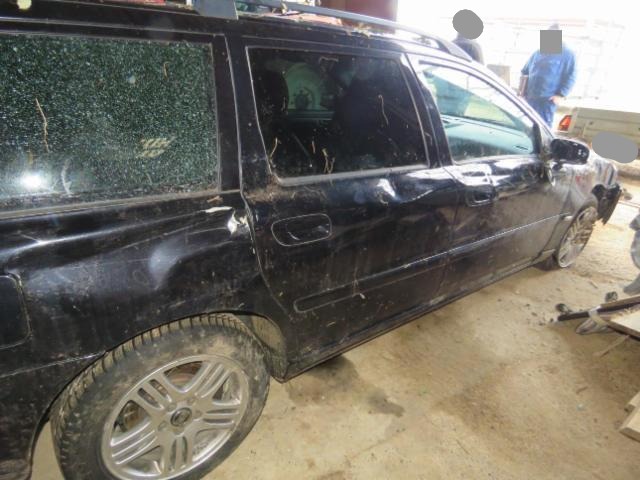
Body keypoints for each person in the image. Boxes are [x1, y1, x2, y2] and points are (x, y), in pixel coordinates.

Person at [519, 24, 577, 126]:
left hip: (547, 100)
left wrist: (560, 95)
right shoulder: (537, 53)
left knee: (542, 126)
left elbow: (571, 76)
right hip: (530, 98)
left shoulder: (567, 54)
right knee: (525, 124)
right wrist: (521, 93)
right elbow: (525, 72)